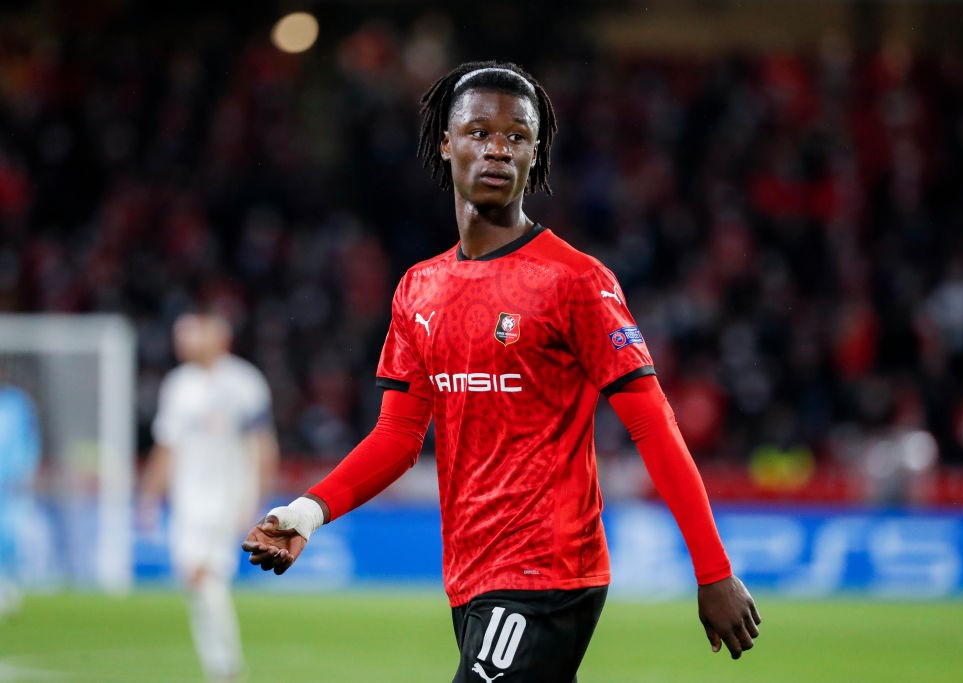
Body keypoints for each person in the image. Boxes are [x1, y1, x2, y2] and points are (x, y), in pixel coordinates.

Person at [243, 60, 760, 682]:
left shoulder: (576, 281)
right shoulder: (419, 288)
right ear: (446, 142)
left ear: (535, 153)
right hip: (470, 577)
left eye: (517, 136)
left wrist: (712, 570)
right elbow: (398, 439)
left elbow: (654, 426)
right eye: (479, 132)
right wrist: (308, 511)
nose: (497, 149)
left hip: (550, 572)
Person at [140, 312, 279, 682]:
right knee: (195, 579)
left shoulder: (244, 383)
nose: (183, 342)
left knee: (206, 575)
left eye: (192, 335)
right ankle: (221, 665)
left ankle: (225, 668)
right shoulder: (178, 385)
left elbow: (262, 444)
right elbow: (166, 447)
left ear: (218, 339)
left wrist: (258, 498)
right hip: (188, 500)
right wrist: (150, 498)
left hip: (229, 496)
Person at [0, 376, 41, 618]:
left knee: (9, 535)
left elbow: (31, 439)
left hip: (12, 483)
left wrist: (28, 469)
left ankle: (9, 584)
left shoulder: (17, 403)